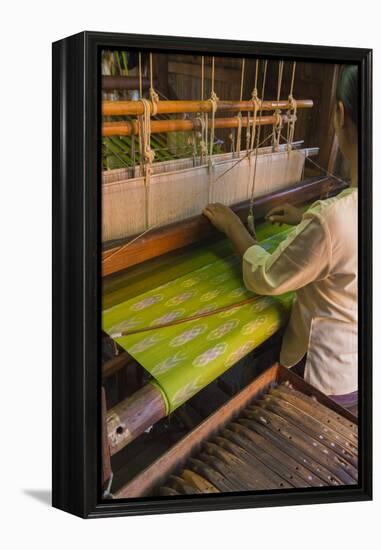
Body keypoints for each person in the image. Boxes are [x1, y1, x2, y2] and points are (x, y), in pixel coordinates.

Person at [203, 65, 358, 413]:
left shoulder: (332, 219)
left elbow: (266, 276)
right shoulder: (340, 215)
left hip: (316, 383)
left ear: (340, 115)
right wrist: (306, 218)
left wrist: (232, 226)